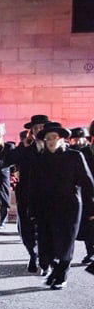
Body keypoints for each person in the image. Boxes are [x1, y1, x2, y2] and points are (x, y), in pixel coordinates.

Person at [29, 122, 94, 289]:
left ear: (62, 139)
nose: (51, 141)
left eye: (54, 137)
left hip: (69, 208)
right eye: (48, 138)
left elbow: (87, 183)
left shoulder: (74, 156)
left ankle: (61, 276)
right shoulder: (40, 160)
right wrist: (32, 208)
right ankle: (54, 270)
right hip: (46, 207)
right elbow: (34, 186)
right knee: (46, 243)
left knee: (65, 243)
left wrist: (91, 206)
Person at [6, 115, 49, 273]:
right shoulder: (25, 148)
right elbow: (8, 160)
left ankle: (45, 261)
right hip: (26, 194)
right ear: (31, 130)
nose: (39, 130)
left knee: (45, 227)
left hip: (46, 195)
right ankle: (32, 253)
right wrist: (22, 146)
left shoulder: (53, 148)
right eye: (36, 128)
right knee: (26, 227)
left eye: (42, 127)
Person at [70, 127, 94, 263]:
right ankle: (90, 251)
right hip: (87, 193)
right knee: (89, 224)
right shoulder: (83, 153)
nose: (79, 141)